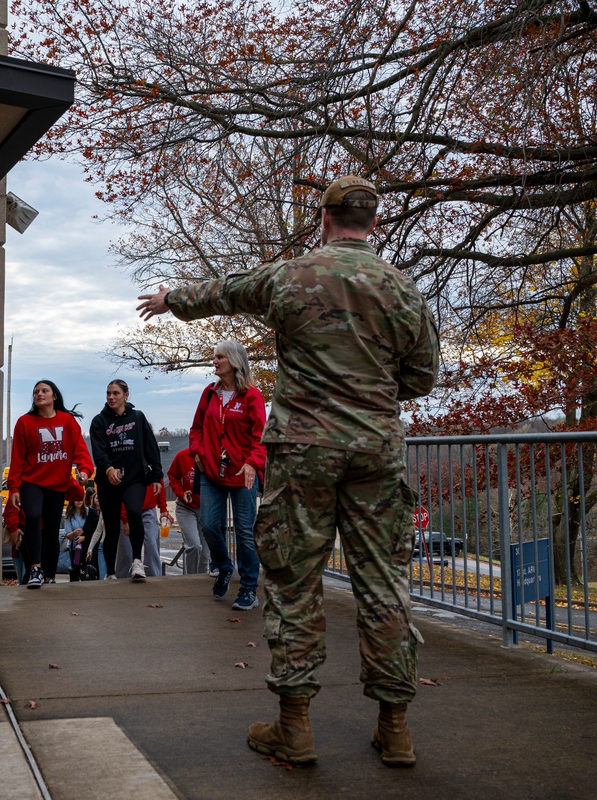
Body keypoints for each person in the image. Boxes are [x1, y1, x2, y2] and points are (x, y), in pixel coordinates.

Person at [136, 176, 440, 767]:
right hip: (376, 450)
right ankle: (395, 728)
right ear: (371, 223)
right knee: (384, 585)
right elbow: (422, 376)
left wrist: (171, 300)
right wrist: (371, 397)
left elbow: (225, 292)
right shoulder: (402, 289)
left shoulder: (292, 276)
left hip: (303, 451)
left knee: (296, 581)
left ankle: (295, 727)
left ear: (324, 218)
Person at [189, 340, 268, 611]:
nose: (215, 361)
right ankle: (224, 567)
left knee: (245, 532)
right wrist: (198, 453)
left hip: (242, 474)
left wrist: (253, 464)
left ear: (234, 361)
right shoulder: (209, 393)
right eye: (214, 357)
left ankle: (248, 588)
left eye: (219, 357)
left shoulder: (252, 396)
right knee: (210, 525)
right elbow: (196, 428)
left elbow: (261, 437)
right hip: (211, 471)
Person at [7, 380, 93, 589]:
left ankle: (49, 575)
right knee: (34, 518)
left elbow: (80, 451)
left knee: (52, 529)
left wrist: (84, 471)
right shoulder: (25, 422)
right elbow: (17, 459)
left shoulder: (67, 421)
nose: (39, 394)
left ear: (54, 396)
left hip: (57, 485)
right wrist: (14, 488)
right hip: (31, 482)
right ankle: (36, 568)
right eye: (36, 391)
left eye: (44, 391)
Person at [89, 380, 164, 581]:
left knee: (133, 511)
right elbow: (98, 451)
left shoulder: (137, 417)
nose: (111, 397)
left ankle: (137, 562)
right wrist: (108, 469)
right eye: (108, 394)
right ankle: (111, 574)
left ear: (126, 395)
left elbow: (151, 447)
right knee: (112, 527)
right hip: (108, 481)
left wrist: (157, 475)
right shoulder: (99, 421)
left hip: (134, 477)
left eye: (116, 393)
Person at [114, 481, 174, 578]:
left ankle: (154, 578)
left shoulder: (151, 466)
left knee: (151, 543)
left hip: (148, 508)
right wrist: (125, 519)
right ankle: (122, 580)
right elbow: (120, 488)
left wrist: (163, 508)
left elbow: (159, 479)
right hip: (128, 508)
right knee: (126, 550)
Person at [167, 447, 210, 573]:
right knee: (195, 546)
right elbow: (172, 477)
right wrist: (181, 493)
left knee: (205, 553)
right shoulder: (182, 455)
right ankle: (190, 578)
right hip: (186, 507)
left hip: (206, 508)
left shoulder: (212, 455)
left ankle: (201, 581)